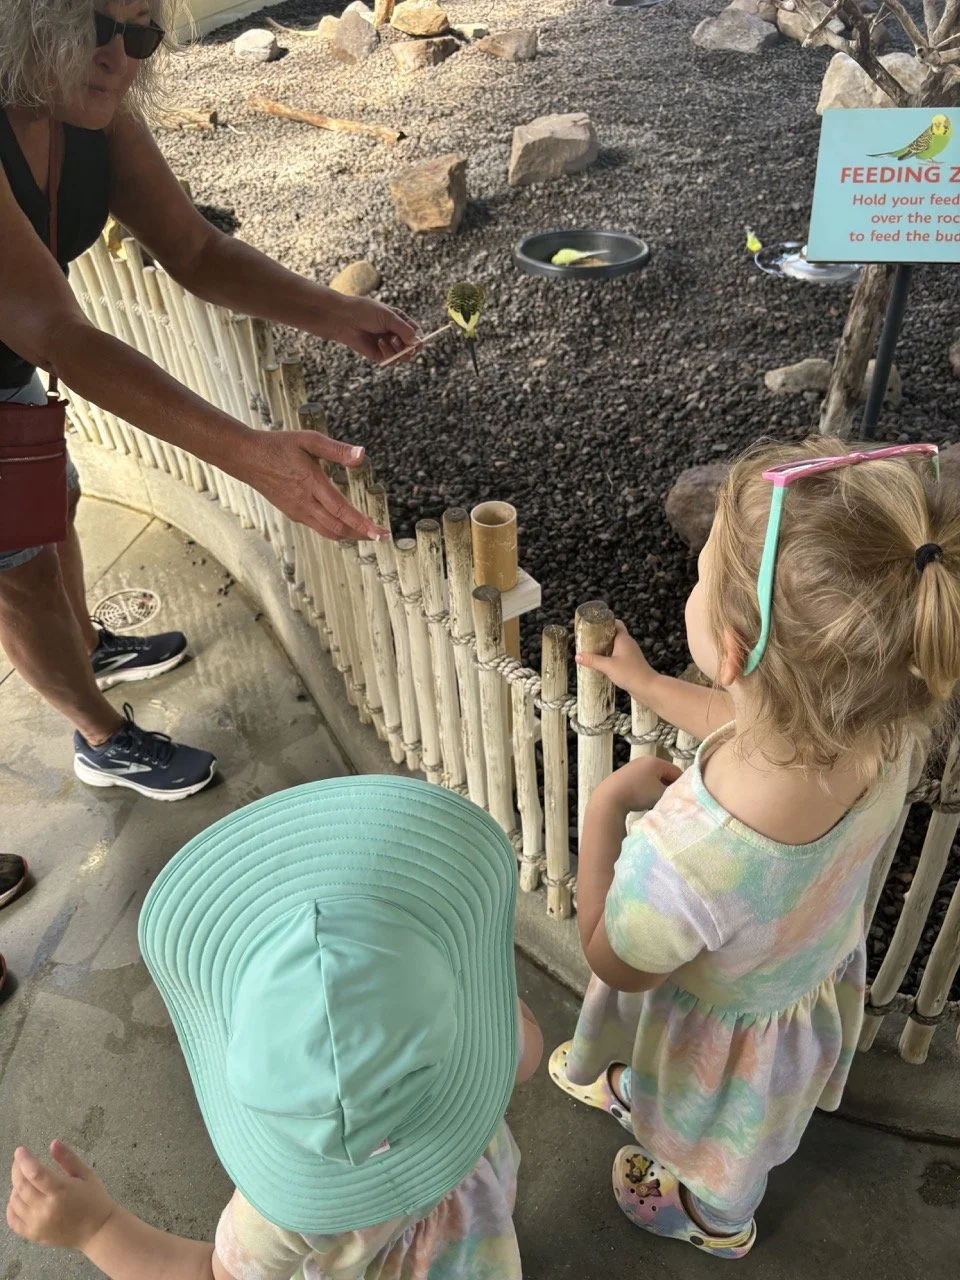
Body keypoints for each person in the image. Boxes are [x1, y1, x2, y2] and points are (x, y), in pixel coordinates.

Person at [0, 1, 423, 976]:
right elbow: (52, 325)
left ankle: (91, 645)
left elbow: (193, 250)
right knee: (16, 560)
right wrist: (248, 450)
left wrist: (337, 312)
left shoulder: (90, 108)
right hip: (12, 345)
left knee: (48, 499)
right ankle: (99, 731)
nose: (123, 55)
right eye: (99, 27)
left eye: (145, 35)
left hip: (7, 363)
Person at [549, 438, 959, 1259]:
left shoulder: (690, 857)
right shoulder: (880, 732)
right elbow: (758, 725)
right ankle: (659, 1104)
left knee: (727, 1138)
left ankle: (718, 1217)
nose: (691, 586)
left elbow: (617, 960)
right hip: (801, 983)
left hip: (724, 1035)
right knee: (747, 1104)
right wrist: (653, 687)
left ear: (732, 650)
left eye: (699, 579)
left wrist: (603, 808)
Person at [6, 776, 543, 1277]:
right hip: (481, 1245)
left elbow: (211, 1273)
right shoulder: (485, 1057)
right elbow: (527, 1054)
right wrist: (493, 1009)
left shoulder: (287, 1212)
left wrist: (97, 1228)